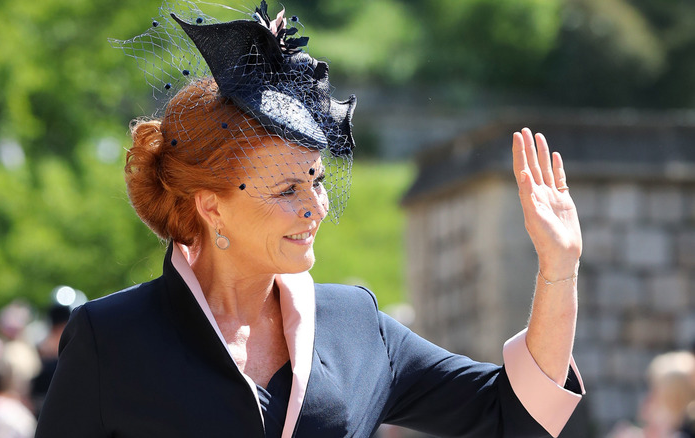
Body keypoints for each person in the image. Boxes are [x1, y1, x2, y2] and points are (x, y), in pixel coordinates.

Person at [36, 1, 584, 437]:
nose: (316, 206)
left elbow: (515, 417)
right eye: (286, 189)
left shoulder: (354, 324)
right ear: (210, 206)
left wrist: (558, 269)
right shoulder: (111, 338)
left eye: (317, 181)